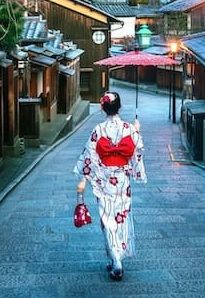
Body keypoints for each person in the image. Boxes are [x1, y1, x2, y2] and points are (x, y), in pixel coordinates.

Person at [73, 91, 147, 281]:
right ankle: (117, 257)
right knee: (121, 217)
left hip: (104, 180)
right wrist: (137, 131)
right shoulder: (128, 128)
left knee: (108, 220)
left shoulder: (98, 130)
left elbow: (89, 157)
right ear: (120, 107)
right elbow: (137, 149)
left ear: (102, 107)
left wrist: (84, 180)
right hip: (122, 180)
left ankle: (115, 260)